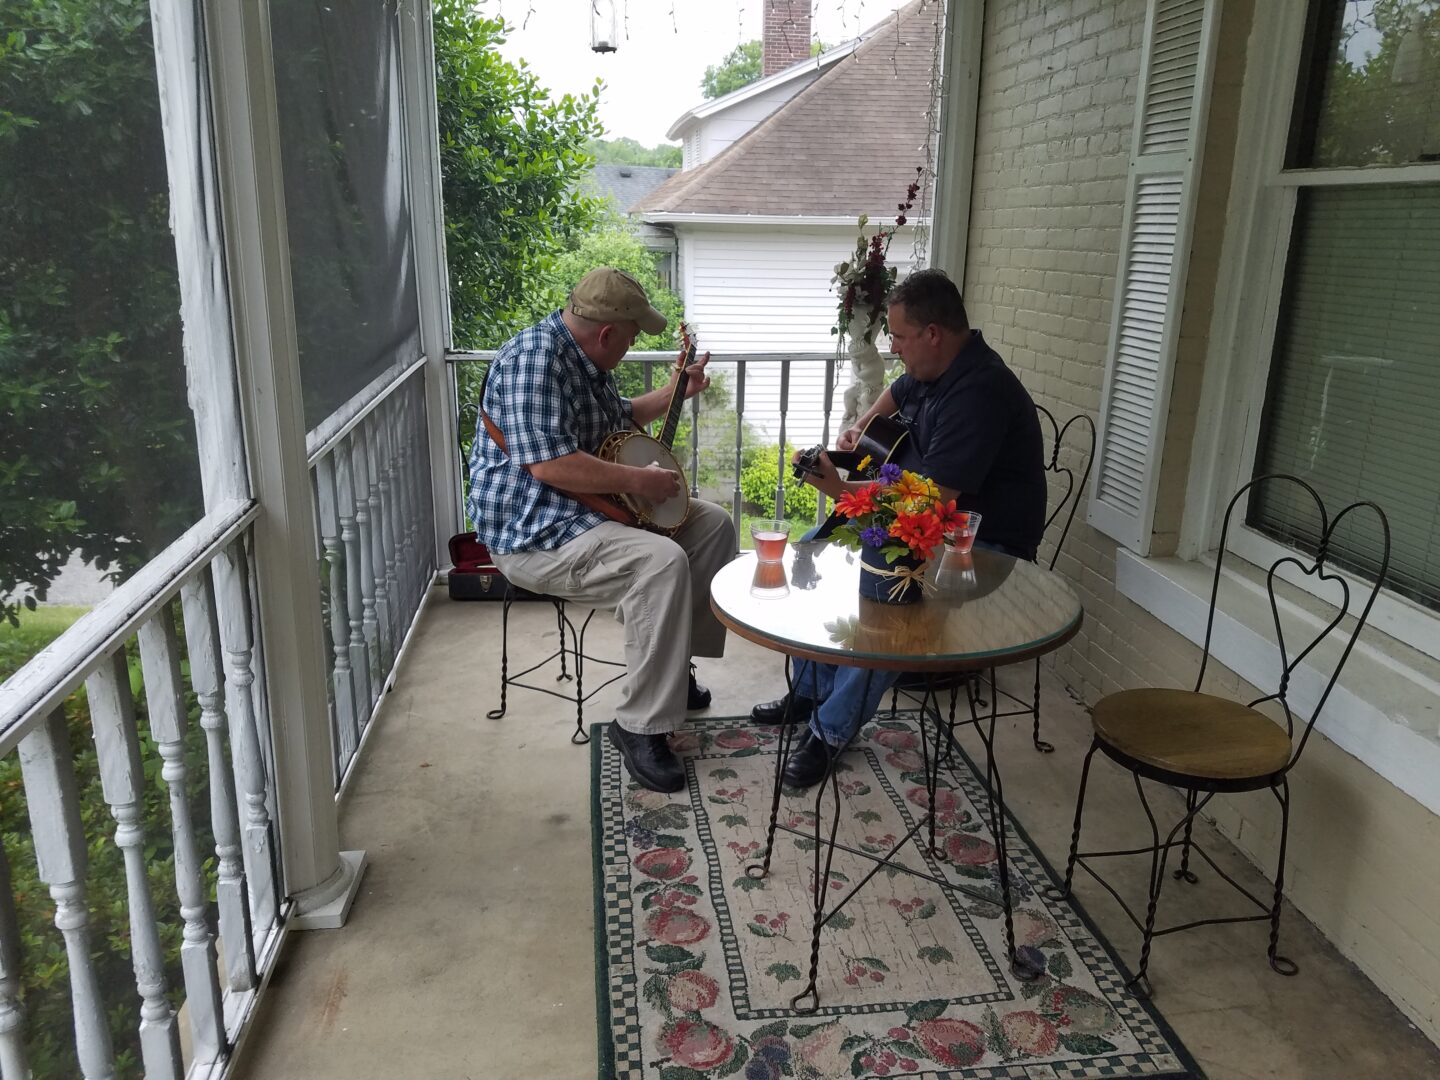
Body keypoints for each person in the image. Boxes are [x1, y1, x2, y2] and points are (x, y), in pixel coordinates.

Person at [750, 268, 1047, 787]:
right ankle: (812, 689)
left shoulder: (980, 392)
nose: (894, 348)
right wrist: (862, 427)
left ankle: (829, 731)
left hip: (980, 546)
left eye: (901, 337)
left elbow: (931, 501)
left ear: (933, 333)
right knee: (814, 551)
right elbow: (900, 388)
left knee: (890, 607)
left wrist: (842, 493)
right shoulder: (937, 369)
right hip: (923, 525)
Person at [468, 267, 736, 793]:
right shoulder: (535, 361)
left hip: (586, 511)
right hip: (534, 530)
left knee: (714, 527)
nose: (633, 344)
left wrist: (678, 388)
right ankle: (639, 726)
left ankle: (673, 671)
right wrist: (642, 480)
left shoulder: (584, 358)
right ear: (607, 332)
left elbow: (619, 418)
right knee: (660, 562)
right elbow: (551, 465)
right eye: (633, 336)